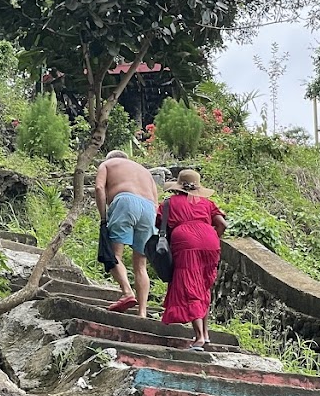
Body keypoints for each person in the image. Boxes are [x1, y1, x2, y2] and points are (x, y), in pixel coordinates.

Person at [159, 169, 227, 349]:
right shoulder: (207, 203)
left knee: (190, 286)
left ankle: (199, 337)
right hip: (210, 241)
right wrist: (212, 238)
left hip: (186, 243)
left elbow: (158, 223)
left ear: (178, 186)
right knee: (203, 286)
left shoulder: (169, 203)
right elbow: (222, 224)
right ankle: (206, 333)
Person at [94, 150, 159, 317]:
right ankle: (142, 312)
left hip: (124, 202)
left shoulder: (107, 164)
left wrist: (103, 217)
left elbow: (99, 188)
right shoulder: (145, 172)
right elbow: (156, 203)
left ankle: (127, 292)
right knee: (141, 265)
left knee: (114, 255)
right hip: (149, 209)